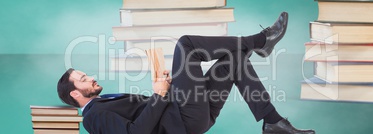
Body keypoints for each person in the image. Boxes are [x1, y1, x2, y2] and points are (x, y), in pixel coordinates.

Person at [57, 12, 315, 134]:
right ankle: (261, 40)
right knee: (186, 44)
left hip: (192, 115)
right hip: (183, 118)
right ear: (75, 93)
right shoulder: (93, 119)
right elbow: (135, 133)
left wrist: (162, 88)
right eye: (83, 79)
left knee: (235, 60)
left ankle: (272, 122)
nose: (90, 77)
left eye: (85, 74)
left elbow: (146, 112)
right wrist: (159, 96)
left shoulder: (104, 102)